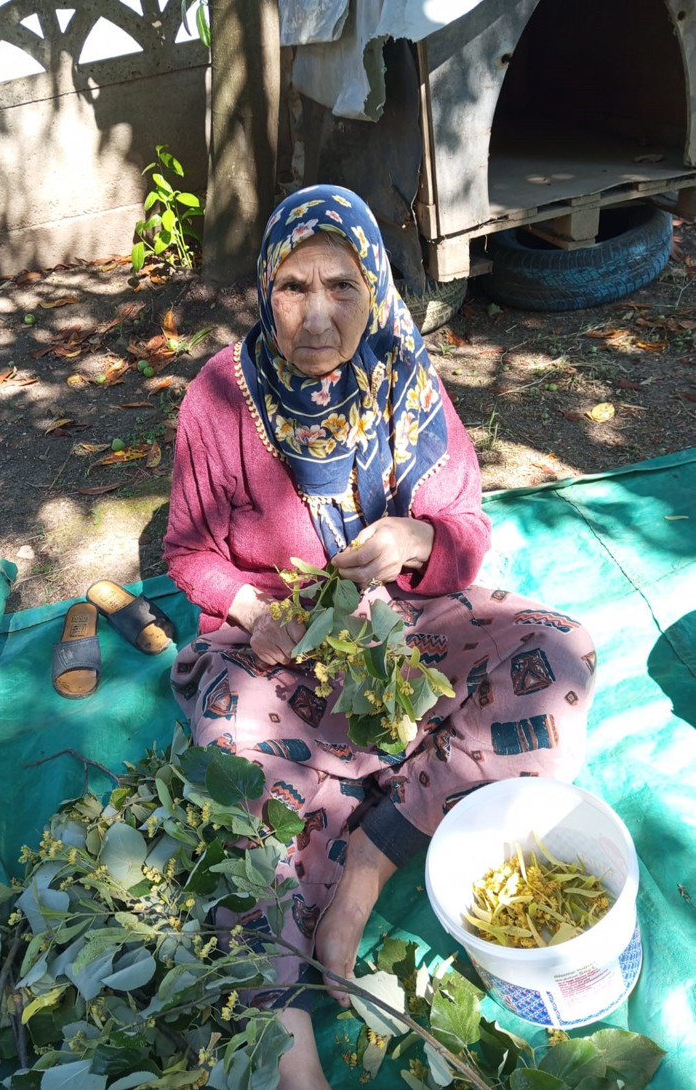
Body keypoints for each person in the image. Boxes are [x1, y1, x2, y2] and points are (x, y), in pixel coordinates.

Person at [163, 185, 596, 1089]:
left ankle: (364, 870)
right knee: (234, 782)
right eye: (293, 287)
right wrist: (252, 612)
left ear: (376, 290)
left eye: (342, 287)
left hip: (405, 631)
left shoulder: (406, 379)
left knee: (553, 658)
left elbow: (465, 529)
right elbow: (189, 553)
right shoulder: (220, 394)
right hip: (273, 657)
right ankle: (288, 1041)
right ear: (264, 289)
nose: (317, 315)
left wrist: (416, 538)